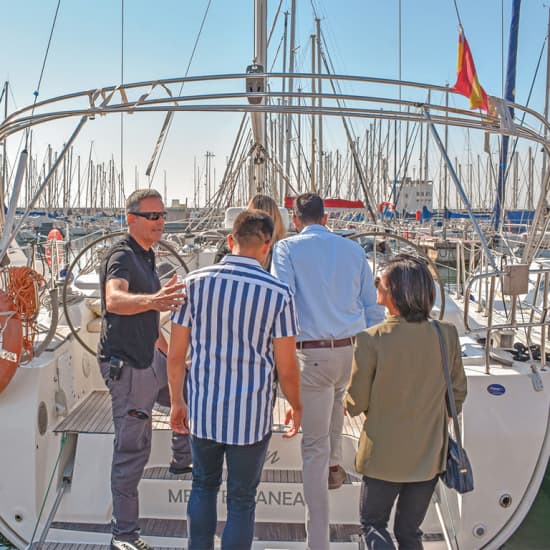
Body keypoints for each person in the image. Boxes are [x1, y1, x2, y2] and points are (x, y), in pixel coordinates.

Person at [168, 209, 302, 550]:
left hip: (204, 410)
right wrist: (296, 406)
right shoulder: (278, 293)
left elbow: (176, 354)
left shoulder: (193, 284)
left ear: (230, 240)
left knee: (203, 487)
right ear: (267, 246)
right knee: (242, 501)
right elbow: (286, 366)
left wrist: (176, 402)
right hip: (250, 416)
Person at [270, 193, 384, 550]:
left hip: (312, 355)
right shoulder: (353, 251)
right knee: (336, 405)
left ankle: (317, 541)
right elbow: (372, 309)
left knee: (313, 448)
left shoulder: (286, 250)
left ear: (296, 218)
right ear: (326, 217)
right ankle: (336, 465)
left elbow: (281, 299)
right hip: (349, 351)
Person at [345, 255, 467, 549]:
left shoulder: (370, 339)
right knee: (409, 531)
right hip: (428, 457)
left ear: (394, 291)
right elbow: (458, 393)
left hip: (382, 458)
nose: (376, 286)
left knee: (374, 525)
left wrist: (345, 403)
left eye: (380, 282)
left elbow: (355, 403)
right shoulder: (446, 334)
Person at [98, 188, 189, 550]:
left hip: (150, 358)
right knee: (133, 449)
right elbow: (114, 300)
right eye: (153, 216)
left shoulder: (147, 257)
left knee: (190, 393)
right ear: (131, 219)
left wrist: (174, 362)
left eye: (163, 215)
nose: (160, 222)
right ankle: (124, 536)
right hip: (128, 368)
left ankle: (183, 460)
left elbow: (150, 321)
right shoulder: (121, 255)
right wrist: (155, 299)